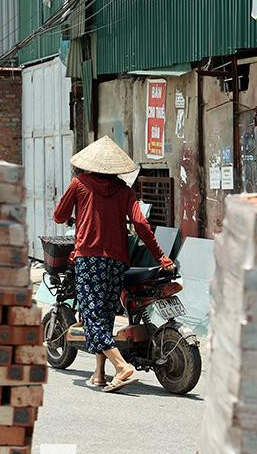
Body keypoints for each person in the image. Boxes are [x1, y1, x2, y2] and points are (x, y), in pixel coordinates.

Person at [53, 136, 175, 393]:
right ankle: (99, 374)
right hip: (118, 261)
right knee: (105, 314)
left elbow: (59, 215)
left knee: (91, 318)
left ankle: (122, 367)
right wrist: (161, 257)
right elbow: (141, 225)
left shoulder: (79, 184)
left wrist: (74, 213)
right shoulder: (124, 191)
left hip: (89, 259)